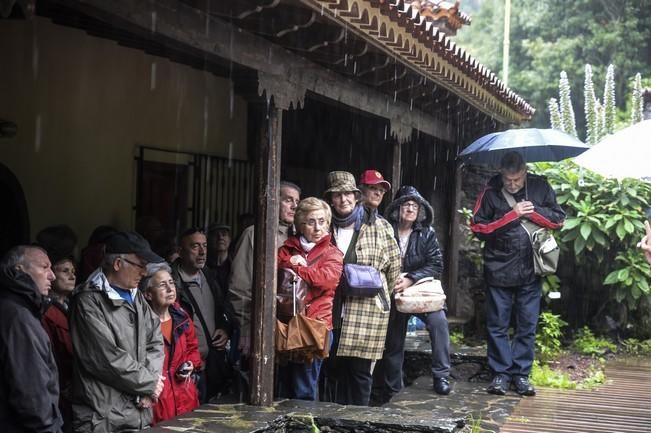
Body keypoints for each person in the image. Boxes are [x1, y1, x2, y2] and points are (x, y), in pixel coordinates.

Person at [470, 151, 564, 396]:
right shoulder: (490, 191)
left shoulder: (540, 186)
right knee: (497, 325)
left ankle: (521, 375)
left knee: (527, 325)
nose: (512, 185)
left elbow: (558, 220)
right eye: (508, 180)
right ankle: (500, 374)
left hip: (531, 269)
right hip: (498, 269)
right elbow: (478, 227)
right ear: (501, 173)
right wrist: (512, 215)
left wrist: (531, 213)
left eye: (517, 180)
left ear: (525, 172)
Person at [69, 231, 165, 432]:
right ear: (118, 264)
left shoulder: (136, 296)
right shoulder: (88, 301)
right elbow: (105, 358)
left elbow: (155, 340)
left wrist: (151, 385)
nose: (145, 272)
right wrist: (149, 383)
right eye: (140, 265)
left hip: (139, 413)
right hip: (103, 418)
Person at [324, 171, 401, 406]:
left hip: (366, 310)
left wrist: (380, 298)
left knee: (359, 372)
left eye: (347, 193)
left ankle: (358, 422)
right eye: (337, 195)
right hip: (330, 309)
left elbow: (394, 267)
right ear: (331, 199)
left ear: (356, 196)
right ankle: (330, 421)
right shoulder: (324, 226)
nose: (343, 199)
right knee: (331, 368)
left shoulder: (379, 226)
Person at [374, 185, 451, 403]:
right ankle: (393, 386)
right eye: (406, 204)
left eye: (414, 205)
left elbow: (436, 264)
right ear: (397, 208)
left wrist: (411, 278)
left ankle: (441, 377)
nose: (410, 209)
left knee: (439, 323)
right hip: (393, 291)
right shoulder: (385, 229)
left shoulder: (426, 233)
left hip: (420, 292)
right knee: (393, 339)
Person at [277, 197, 344, 400]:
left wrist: (298, 267)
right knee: (282, 384)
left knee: (304, 386)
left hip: (315, 326)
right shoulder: (287, 249)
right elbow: (272, 269)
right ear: (300, 225)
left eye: (322, 221)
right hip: (285, 324)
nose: (317, 228)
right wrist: (289, 261)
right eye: (311, 222)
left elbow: (325, 281)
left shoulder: (332, 253)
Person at [229, 181, 301, 356]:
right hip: (262, 323)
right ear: (275, 201)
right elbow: (240, 285)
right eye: (288, 200)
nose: (294, 206)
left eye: (297, 202)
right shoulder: (255, 233)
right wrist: (246, 326)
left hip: (295, 329)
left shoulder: (302, 236)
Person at [0, 245, 63, 433]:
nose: (52, 276)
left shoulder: (21, 309)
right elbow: (32, 396)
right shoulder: (18, 315)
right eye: (44, 267)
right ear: (19, 271)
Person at [171, 228, 234, 402]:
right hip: (187, 368)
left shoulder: (210, 275)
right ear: (180, 251)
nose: (202, 252)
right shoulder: (172, 284)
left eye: (205, 246)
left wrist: (224, 327)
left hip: (211, 364)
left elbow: (225, 307)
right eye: (195, 246)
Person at [140, 264, 201, 424]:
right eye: (162, 285)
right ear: (148, 294)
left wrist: (190, 364)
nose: (169, 288)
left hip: (186, 397)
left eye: (171, 282)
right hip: (158, 402)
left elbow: (193, 350)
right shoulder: (142, 325)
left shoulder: (182, 318)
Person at [41, 254, 76, 432]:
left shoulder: (73, 305)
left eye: (73, 271)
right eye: (65, 271)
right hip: (62, 386)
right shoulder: (45, 311)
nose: (72, 276)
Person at [206, 223, 232, 291]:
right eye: (215, 235)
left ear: (229, 240)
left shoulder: (235, 266)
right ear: (208, 240)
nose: (220, 237)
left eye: (224, 234)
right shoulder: (202, 267)